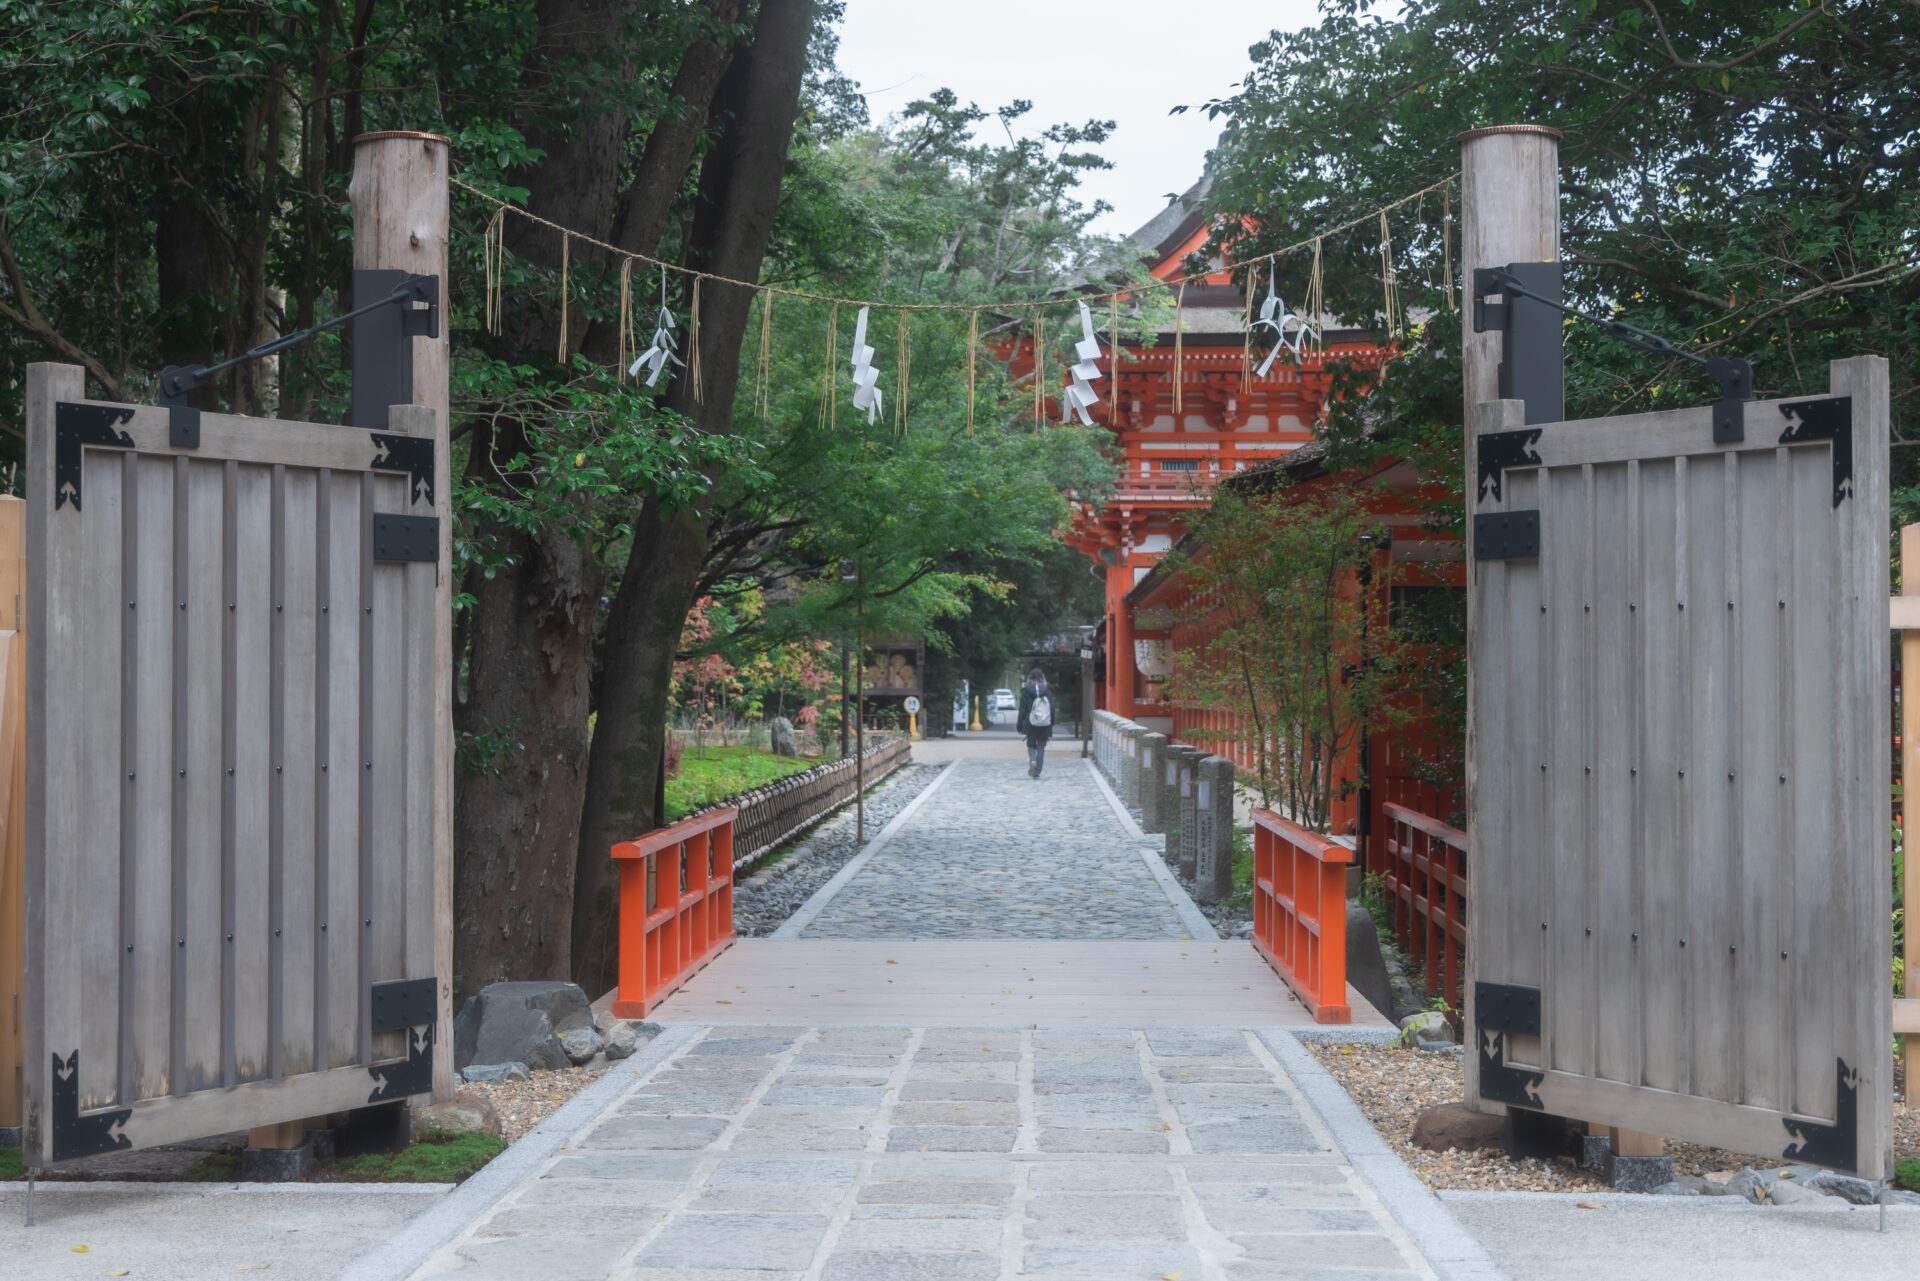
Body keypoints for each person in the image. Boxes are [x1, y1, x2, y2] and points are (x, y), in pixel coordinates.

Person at [1015, 667, 1054, 779]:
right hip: (1045, 723)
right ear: (1042, 677)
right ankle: (1037, 773)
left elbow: (1022, 710)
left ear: (1030, 678)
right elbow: (1052, 709)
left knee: (1031, 745)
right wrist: (1051, 724)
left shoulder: (1026, 691)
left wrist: (1019, 726)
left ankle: (1032, 759)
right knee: (1041, 746)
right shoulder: (1046, 691)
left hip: (1030, 722)